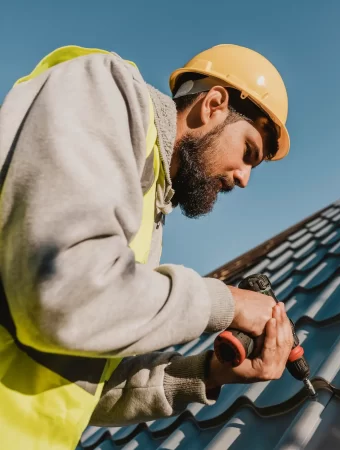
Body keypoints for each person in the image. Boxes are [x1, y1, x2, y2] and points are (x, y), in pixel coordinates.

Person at [0, 44, 294, 449]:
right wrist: (229, 302)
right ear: (213, 104)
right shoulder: (103, 89)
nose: (244, 178)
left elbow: (86, 376)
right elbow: (62, 295)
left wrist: (207, 372)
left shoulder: (150, 209)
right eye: (248, 152)